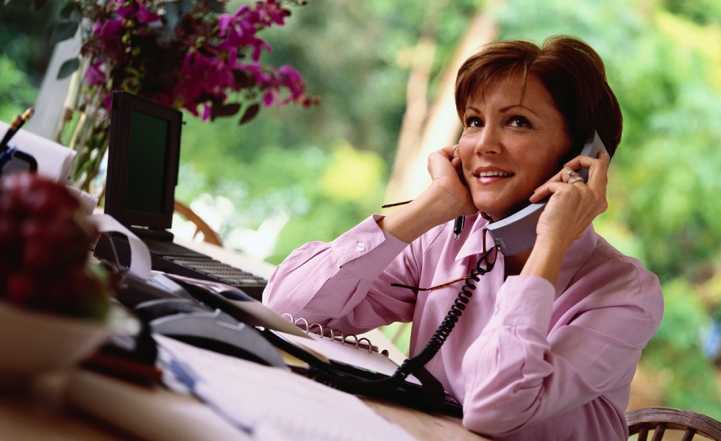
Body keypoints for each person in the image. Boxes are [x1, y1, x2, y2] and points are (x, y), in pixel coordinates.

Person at [263, 36, 663, 441]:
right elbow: (288, 306)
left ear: (581, 158)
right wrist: (429, 206)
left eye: (517, 121)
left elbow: (493, 409)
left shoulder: (625, 293)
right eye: (474, 121)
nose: (484, 145)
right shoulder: (447, 240)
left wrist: (549, 245)